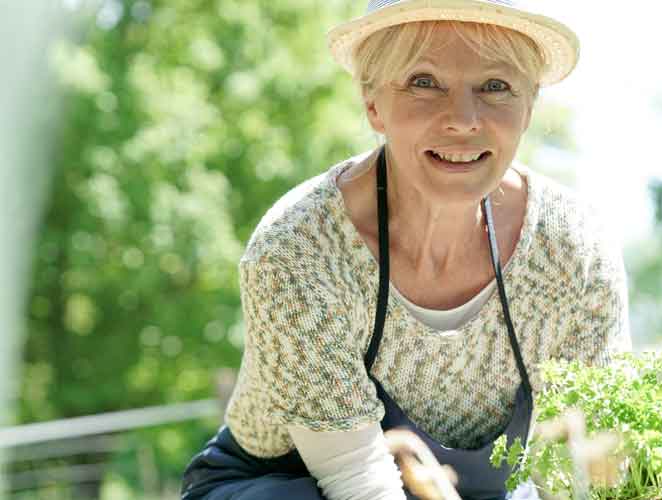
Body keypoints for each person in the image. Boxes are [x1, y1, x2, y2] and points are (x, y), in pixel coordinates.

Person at [180, 1, 631, 499]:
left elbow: (586, 468)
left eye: (496, 86)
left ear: (528, 106)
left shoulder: (573, 250)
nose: (463, 119)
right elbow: (357, 480)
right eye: (424, 81)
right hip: (294, 486)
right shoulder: (299, 248)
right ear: (373, 103)